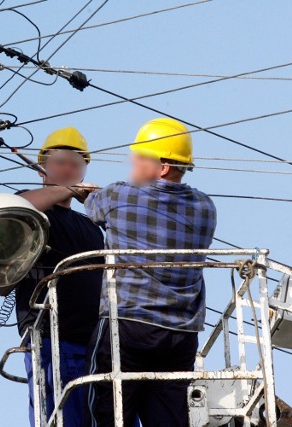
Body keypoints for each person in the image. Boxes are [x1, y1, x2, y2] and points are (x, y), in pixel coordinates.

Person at [82, 118, 217, 427]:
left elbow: (94, 206)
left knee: (109, 414)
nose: (132, 161)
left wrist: (87, 193)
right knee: (169, 418)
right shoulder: (206, 207)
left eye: (141, 156)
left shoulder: (119, 195)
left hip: (127, 327)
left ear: (164, 165)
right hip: (180, 334)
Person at [15, 126, 104, 427]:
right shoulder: (32, 211)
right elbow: (21, 206)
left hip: (94, 341)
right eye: (60, 161)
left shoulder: (91, 227)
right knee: (58, 417)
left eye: (76, 164)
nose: (68, 168)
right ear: (43, 168)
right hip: (49, 337)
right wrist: (67, 191)